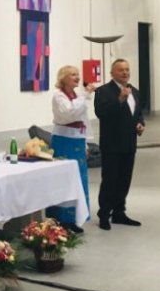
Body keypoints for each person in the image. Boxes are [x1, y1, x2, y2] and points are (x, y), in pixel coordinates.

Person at [94, 58, 145, 230]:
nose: (125, 73)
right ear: (112, 73)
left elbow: (138, 113)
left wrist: (140, 124)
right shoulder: (103, 91)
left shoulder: (134, 91)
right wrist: (119, 99)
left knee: (124, 180)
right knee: (110, 180)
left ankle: (119, 213)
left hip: (129, 143)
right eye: (121, 70)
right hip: (112, 144)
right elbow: (101, 113)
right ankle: (104, 214)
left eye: (127, 69)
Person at [46, 65, 95, 234]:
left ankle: (73, 218)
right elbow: (69, 113)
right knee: (64, 179)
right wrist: (85, 96)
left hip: (77, 140)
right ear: (64, 78)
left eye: (77, 74)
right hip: (64, 141)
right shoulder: (59, 96)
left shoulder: (76, 95)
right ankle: (60, 219)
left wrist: (85, 142)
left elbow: (83, 119)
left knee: (78, 179)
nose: (77, 77)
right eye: (73, 75)